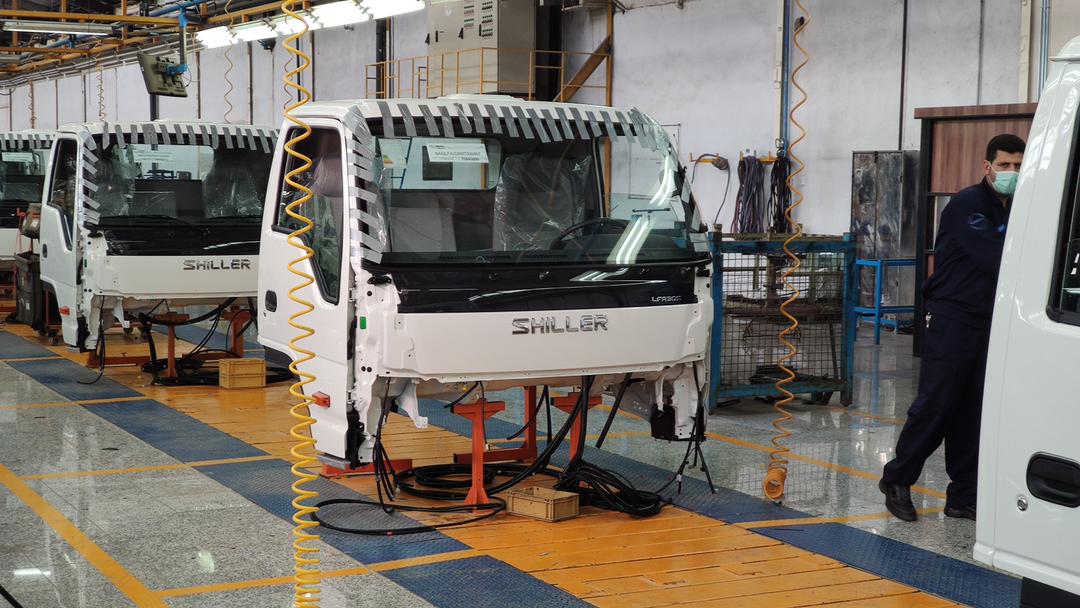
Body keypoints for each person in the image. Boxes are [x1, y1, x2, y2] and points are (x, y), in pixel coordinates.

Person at [879, 133, 1026, 522]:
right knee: (937, 403)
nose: (1011, 172)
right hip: (953, 317)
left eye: (1018, 165)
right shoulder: (968, 205)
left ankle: (963, 496)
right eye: (1005, 165)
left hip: (990, 321)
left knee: (973, 411)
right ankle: (896, 479)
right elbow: (997, 259)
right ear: (987, 166)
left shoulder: (1018, 207)